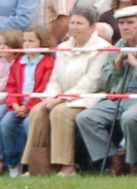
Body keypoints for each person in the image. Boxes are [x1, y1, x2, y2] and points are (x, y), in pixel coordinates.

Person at [75, 6, 137, 175]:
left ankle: (135, 163)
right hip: (119, 97)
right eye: (121, 23)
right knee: (85, 118)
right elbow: (105, 83)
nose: (125, 27)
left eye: (130, 22)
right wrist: (117, 65)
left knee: (130, 117)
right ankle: (114, 159)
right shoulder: (119, 45)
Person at [19, 9, 111, 176]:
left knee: (60, 112)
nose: (74, 27)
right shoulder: (62, 47)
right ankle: (36, 166)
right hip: (61, 97)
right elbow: (54, 79)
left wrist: (61, 99)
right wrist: (50, 97)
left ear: (92, 27)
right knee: (38, 110)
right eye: (72, 23)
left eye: (79, 23)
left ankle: (66, 166)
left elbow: (91, 83)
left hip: (88, 98)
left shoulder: (102, 48)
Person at [1, 27, 53, 176]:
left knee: (27, 125)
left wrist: (28, 106)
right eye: (24, 41)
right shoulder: (19, 63)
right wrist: (15, 104)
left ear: (42, 42)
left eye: (31, 41)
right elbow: (11, 86)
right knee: (6, 124)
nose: (26, 44)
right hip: (18, 105)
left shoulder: (48, 62)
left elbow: (44, 87)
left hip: (35, 105)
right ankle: (13, 163)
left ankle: (29, 163)